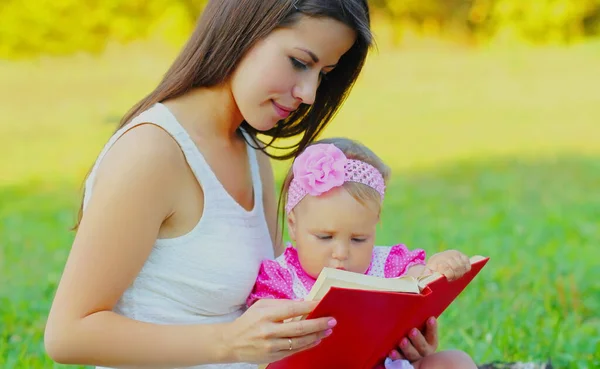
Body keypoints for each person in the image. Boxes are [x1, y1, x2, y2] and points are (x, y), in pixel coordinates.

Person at [43, 1, 444, 368]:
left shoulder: (253, 154)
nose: (308, 94)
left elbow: (274, 308)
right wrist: (229, 342)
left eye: (324, 73)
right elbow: (67, 335)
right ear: (245, 28)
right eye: (299, 62)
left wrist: (383, 335)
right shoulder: (152, 152)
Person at [246, 138, 478, 369]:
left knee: (454, 362)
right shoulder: (281, 277)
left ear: (375, 225)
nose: (341, 253)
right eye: (325, 237)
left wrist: (439, 267)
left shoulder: (388, 263)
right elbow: (263, 335)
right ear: (293, 226)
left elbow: (423, 282)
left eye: (359, 239)